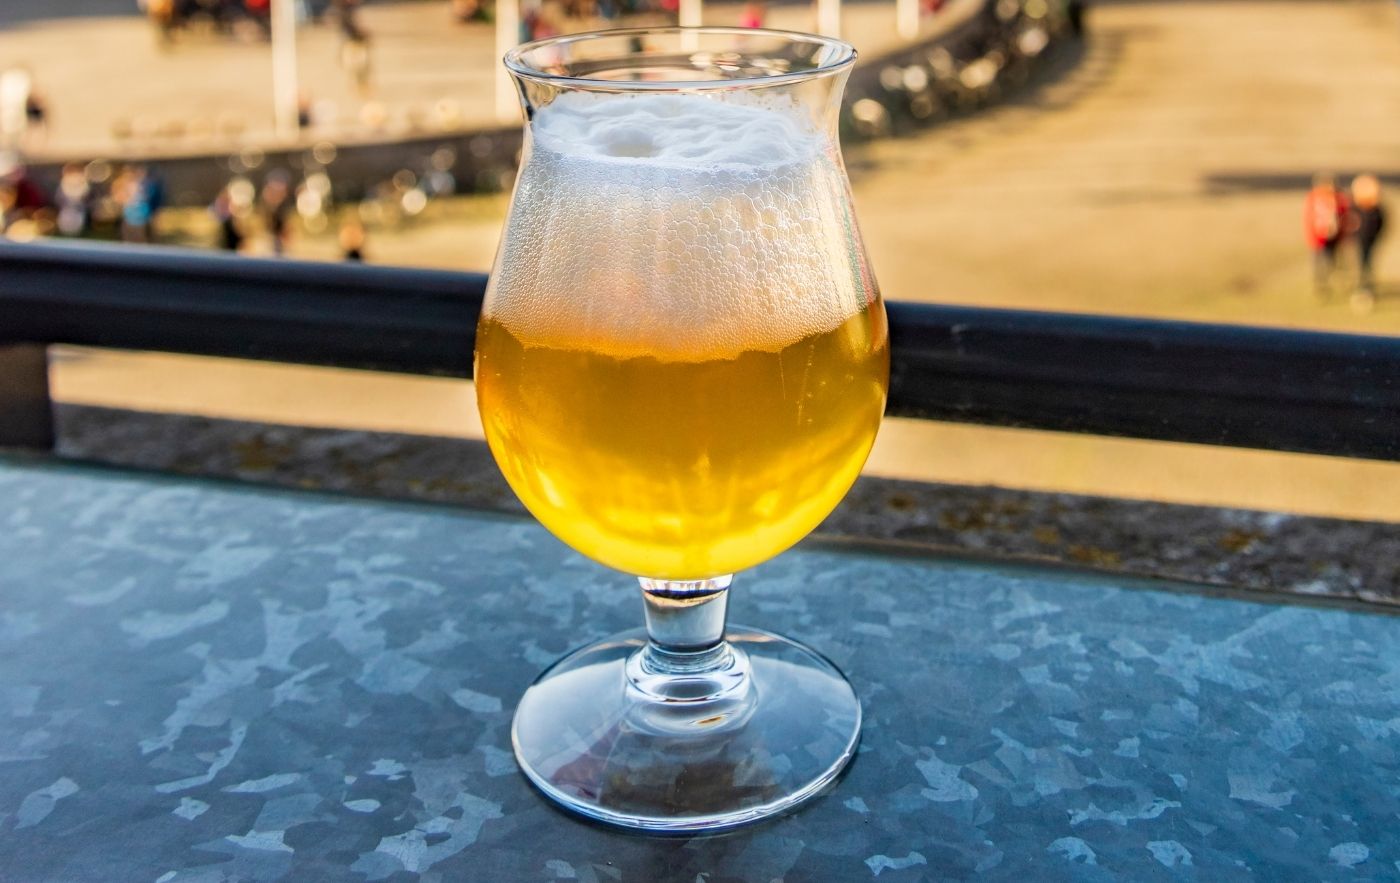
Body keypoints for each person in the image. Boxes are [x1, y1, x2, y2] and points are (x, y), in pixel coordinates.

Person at [1303, 172, 1350, 296]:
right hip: (1318, 238)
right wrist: (1312, 237)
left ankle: (1333, 282)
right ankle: (1320, 286)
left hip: (1334, 238)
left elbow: (1345, 216)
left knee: (1332, 262)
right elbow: (1309, 219)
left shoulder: (1339, 198)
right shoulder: (1314, 198)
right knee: (1318, 263)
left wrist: (1342, 235)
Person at [1350, 174, 1386, 308]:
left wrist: (1376, 237)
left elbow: (1382, 224)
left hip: (1371, 242)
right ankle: (1361, 286)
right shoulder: (1355, 208)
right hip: (1359, 242)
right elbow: (1350, 223)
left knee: (1367, 265)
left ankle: (1366, 286)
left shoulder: (1376, 211)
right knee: (1359, 265)